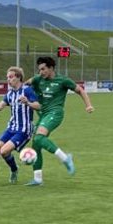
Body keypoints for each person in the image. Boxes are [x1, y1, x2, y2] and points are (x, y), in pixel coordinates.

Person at [24, 56, 94, 186]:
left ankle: (66, 158)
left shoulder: (63, 80)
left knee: (39, 138)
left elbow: (80, 91)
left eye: (43, 69)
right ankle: (38, 179)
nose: (41, 72)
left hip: (55, 113)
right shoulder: (38, 79)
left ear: (51, 68)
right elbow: (25, 84)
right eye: (39, 69)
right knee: (36, 145)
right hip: (43, 114)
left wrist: (88, 105)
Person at [0, 66, 39, 186]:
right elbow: (0, 106)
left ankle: (14, 170)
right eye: (7, 78)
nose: (8, 80)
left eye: (10, 77)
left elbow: (38, 105)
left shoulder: (27, 90)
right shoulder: (10, 93)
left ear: (18, 77)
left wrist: (28, 102)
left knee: (4, 151)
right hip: (11, 128)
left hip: (24, 130)